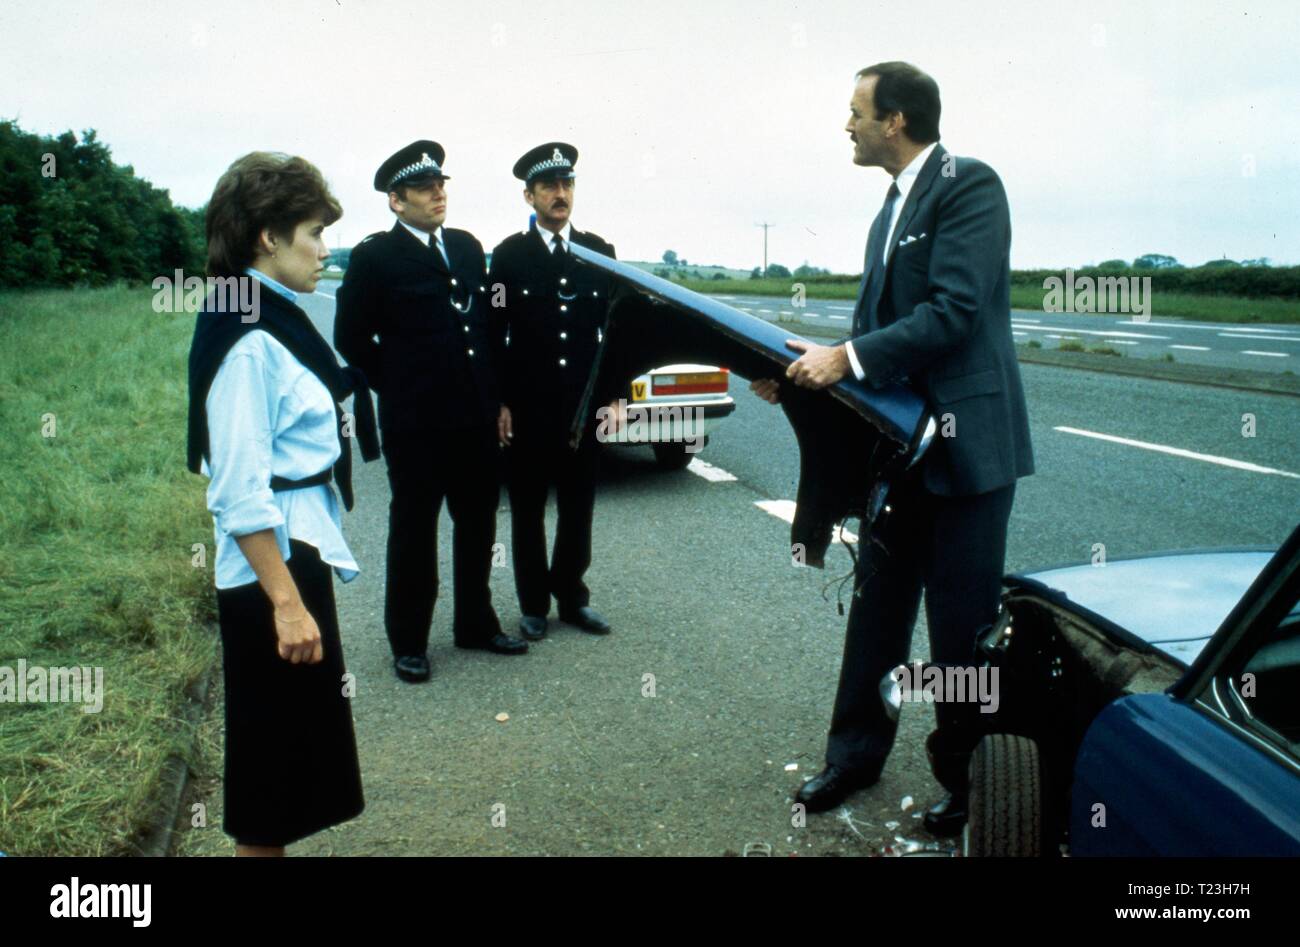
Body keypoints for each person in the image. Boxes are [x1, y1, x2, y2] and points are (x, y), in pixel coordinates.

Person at [751, 62, 1034, 834]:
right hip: (899, 451)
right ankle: (853, 756)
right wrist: (808, 374)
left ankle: (973, 783)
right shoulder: (889, 206)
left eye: (856, 112)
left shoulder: (970, 186)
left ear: (896, 120)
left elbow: (954, 311)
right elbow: (880, 335)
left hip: (966, 453)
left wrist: (844, 359)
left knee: (960, 632)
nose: (846, 125)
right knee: (876, 609)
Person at [187, 151, 377, 855]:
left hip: (293, 553)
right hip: (272, 568)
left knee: (291, 775)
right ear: (268, 237)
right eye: (314, 233)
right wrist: (288, 604)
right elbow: (238, 490)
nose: (325, 251)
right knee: (269, 789)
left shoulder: (263, 312)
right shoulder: (248, 341)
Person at [335, 140, 527, 685]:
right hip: (416, 425)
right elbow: (350, 337)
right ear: (396, 201)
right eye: (423, 188)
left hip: (474, 419)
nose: (437, 193)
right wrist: (399, 385)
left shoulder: (466, 247)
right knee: (415, 531)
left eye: (440, 184)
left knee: (478, 525)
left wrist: (498, 399)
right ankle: (410, 642)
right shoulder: (375, 258)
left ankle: (476, 624)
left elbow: (484, 329)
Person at [488, 143, 617, 641]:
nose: (560, 194)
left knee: (578, 507)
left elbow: (616, 331)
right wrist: (500, 401)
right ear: (530, 196)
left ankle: (572, 598)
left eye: (567, 184)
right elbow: (493, 330)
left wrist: (616, 398)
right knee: (527, 509)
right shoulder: (508, 256)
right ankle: (533, 605)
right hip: (528, 406)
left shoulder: (598, 252)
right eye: (549, 187)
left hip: (584, 407)